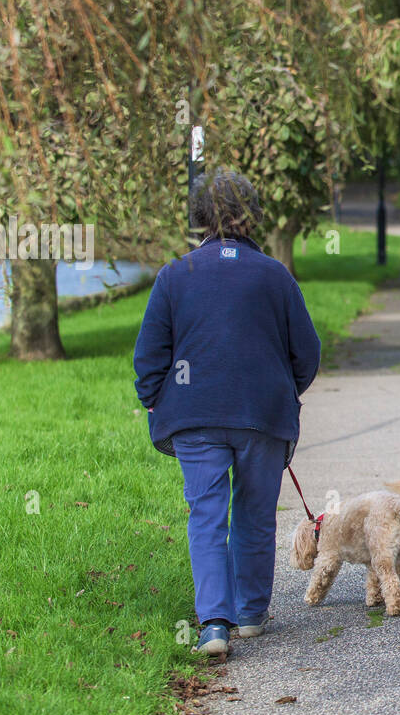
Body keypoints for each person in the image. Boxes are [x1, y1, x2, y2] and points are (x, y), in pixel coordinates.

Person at [133, 168, 321, 657]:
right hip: (263, 411)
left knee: (207, 517)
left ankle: (213, 626)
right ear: (251, 216)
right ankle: (252, 614)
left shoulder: (175, 274)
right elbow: (307, 352)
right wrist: (285, 390)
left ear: (198, 219)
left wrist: (154, 397)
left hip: (195, 413)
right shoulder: (275, 275)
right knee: (256, 514)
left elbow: (149, 356)